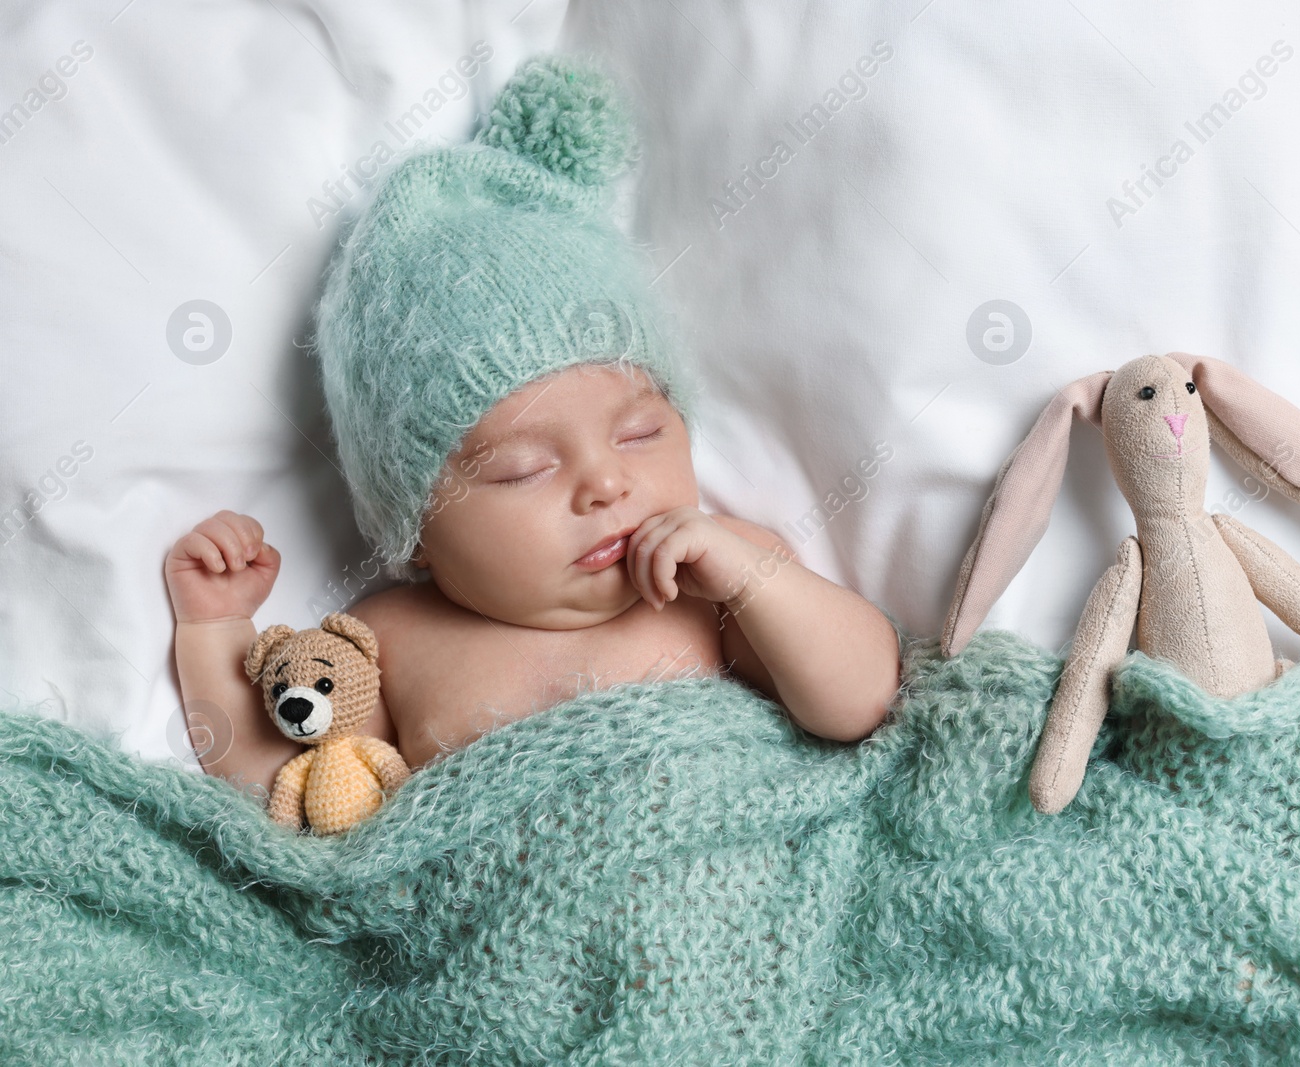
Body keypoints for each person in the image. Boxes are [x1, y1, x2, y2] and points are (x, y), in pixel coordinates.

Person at [164, 55, 902, 801]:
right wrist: (215, 627)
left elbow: (862, 702)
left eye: (641, 433)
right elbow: (278, 782)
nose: (607, 482)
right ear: (416, 533)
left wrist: (753, 578)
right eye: (523, 469)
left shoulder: (720, 585)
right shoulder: (388, 641)